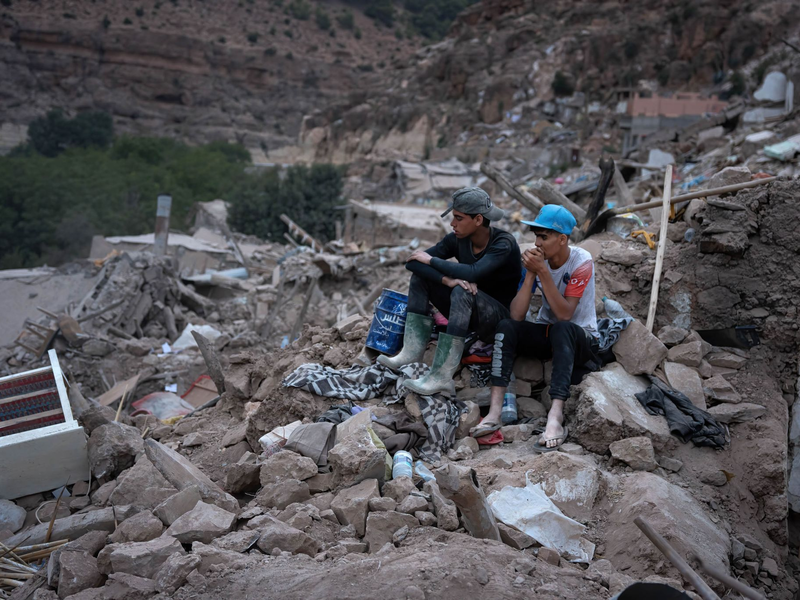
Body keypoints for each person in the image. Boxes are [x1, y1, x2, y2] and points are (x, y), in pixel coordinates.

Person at [471, 205, 600, 449]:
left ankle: (555, 416)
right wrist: (531, 275)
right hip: (549, 333)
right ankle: (495, 411)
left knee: (563, 328)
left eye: (544, 237)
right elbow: (517, 315)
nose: (537, 243)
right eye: (536, 236)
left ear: (562, 239)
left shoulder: (582, 261)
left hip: (581, 337)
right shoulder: (536, 263)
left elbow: (565, 314)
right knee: (506, 326)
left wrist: (543, 272)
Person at [377, 187, 522, 396]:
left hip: (497, 320)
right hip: (467, 313)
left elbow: (474, 271)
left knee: (462, 291)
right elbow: (413, 263)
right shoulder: (456, 239)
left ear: (478, 220)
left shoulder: (503, 243)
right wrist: (447, 280)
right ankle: (410, 353)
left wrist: (433, 261)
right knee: (424, 278)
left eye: (459, 218)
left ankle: (442, 377)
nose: (453, 224)